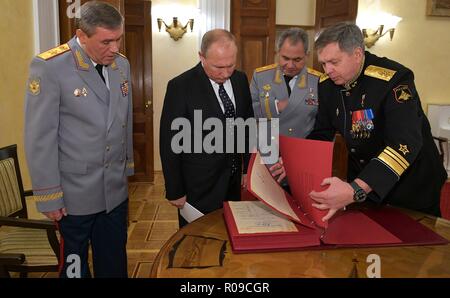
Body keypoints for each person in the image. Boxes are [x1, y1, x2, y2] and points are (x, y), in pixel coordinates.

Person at [24, 1, 133, 278]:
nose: (115, 48)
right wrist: (49, 196)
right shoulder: (51, 66)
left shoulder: (122, 66)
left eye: (118, 39)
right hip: (74, 196)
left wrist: (126, 169)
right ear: (82, 36)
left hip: (114, 192)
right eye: (106, 41)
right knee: (75, 270)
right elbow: (41, 136)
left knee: (114, 264)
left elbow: (124, 122)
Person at [306, 22, 446, 221]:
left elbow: (404, 144)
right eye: (323, 63)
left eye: (334, 62)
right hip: (366, 183)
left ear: (357, 54)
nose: (327, 70)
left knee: (414, 246)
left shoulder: (394, 80)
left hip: (411, 186)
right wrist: (296, 160)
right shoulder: (328, 85)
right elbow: (322, 132)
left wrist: (356, 188)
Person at [160, 29, 254, 228]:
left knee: (229, 239)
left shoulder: (240, 80)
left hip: (233, 182)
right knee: (196, 244)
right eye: (218, 67)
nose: (226, 73)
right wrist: (175, 189)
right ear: (201, 57)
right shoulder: (180, 86)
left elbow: (247, 126)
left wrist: (249, 168)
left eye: (231, 65)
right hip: (198, 186)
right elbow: (169, 142)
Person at [250, 28, 321, 185]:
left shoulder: (318, 81)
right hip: (268, 158)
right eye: (285, 58)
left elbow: (322, 126)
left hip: (302, 158)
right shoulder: (261, 76)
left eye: (297, 59)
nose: (290, 65)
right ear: (277, 53)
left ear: (307, 56)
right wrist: (276, 106)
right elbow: (249, 112)